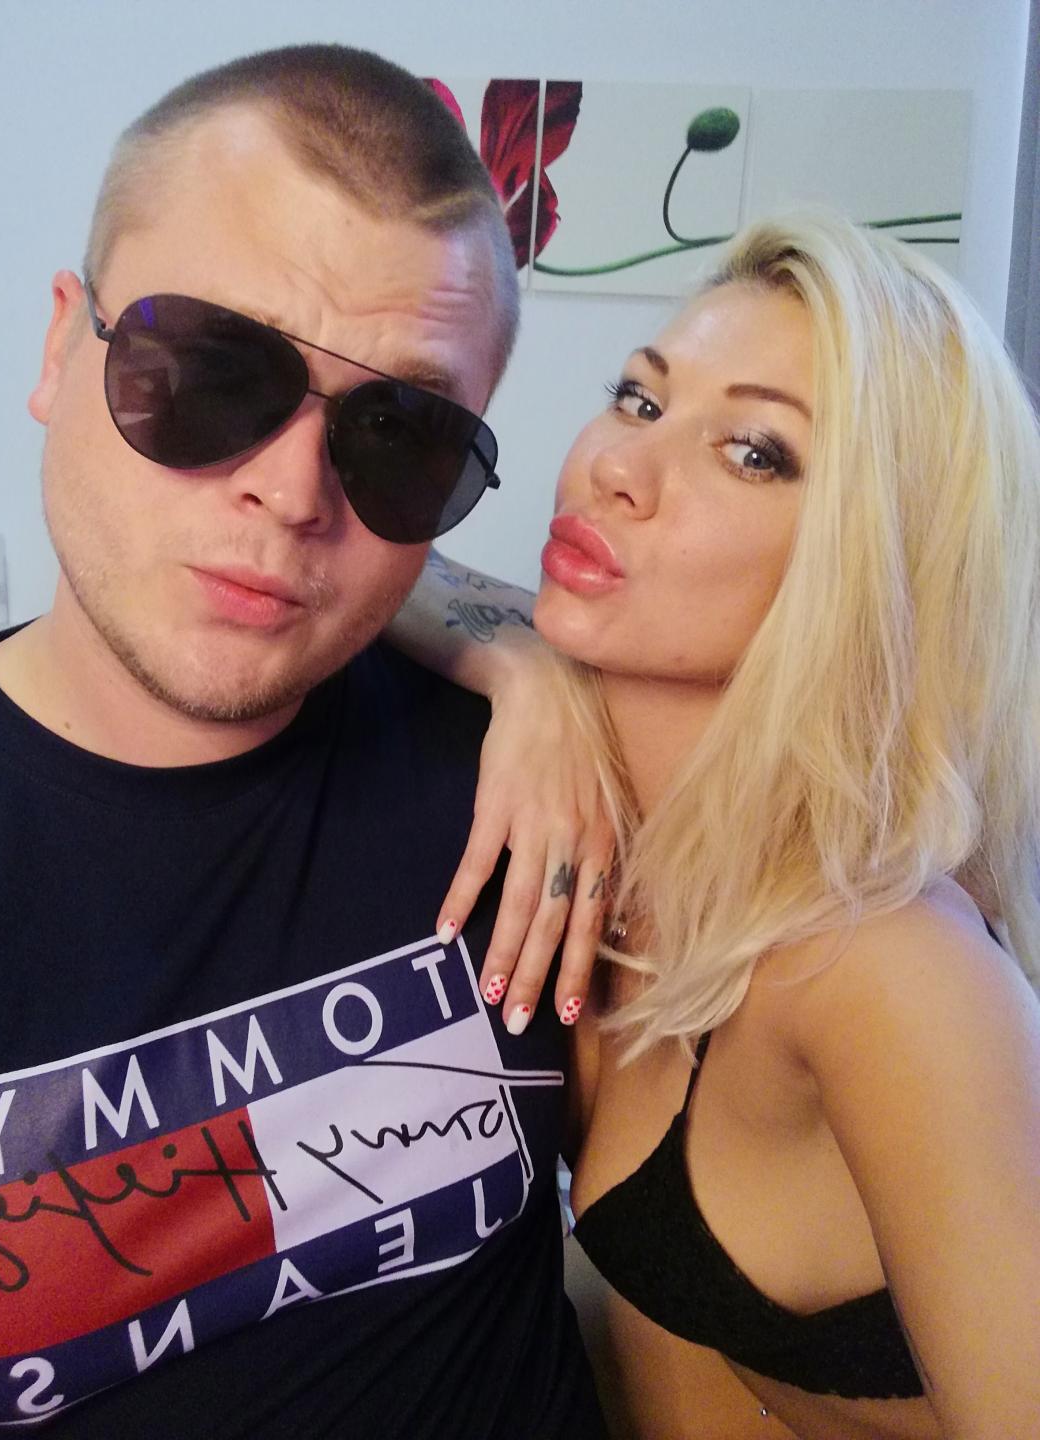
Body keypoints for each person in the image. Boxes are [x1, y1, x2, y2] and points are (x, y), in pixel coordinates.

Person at [0, 44, 607, 1438]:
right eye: (211, 372)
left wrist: (538, 671)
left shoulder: (531, 795)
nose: (294, 491)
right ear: (61, 348)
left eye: (400, 436)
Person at [399, 212, 1040, 1439]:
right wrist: (522, 672)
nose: (619, 468)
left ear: (874, 560)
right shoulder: (623, 834)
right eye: (639, 400)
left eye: (753, 453)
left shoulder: (886, 965)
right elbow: (366, 556)